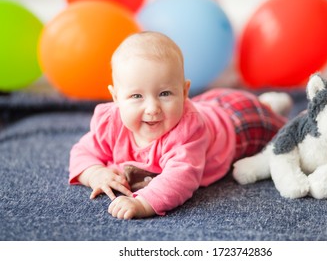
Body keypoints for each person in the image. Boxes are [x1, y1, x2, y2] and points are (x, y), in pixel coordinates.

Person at [69, 31, 290, 219]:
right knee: (216, 106)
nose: (152, 108)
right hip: (209, 107)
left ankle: (270, 106)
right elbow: (82, 151)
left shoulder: (188, 131)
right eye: (136, 96)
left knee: (282, 132)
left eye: (164, 93)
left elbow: (181, 178)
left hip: (237, 122)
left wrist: (143, 203)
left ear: (184, 92)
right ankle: (268, 102)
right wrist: (95, 173)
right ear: (115, 97)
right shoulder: (110, 123)